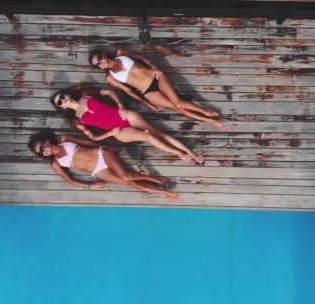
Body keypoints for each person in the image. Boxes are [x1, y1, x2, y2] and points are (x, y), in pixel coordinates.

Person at [50, 87, 204, 163]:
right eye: (60, 102)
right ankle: (178, 153)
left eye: (62, 96)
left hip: (124, 115)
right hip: (118, 131)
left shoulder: (85, 94)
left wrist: (121, 106)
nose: (63, 100)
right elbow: (93, 137)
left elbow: (109, 92)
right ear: (62, 107)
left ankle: (188, 150)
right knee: (148, 136)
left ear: (67, 94)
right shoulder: (77, 120)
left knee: (158, 133)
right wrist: (110, 133)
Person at [88, 48, 226, 130]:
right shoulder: (111, 78)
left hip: (156, 78)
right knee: (178, 108)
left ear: (103, 54)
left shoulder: (121, 53)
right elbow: (129, 91)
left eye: (100, 58)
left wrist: (154, 67)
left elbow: (141, 57)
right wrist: (146, 103)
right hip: (148, 92)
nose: (101, 62)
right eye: (98, 64)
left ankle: (206, 111)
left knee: (177, 102)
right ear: (99, 67)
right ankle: (210, 120)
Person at [28, 129, 179, 199]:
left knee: (126, 177)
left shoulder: (64, 139)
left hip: (101, 154)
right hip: (98, 170)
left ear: (46, 141)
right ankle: (165, 193)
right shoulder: (56, 163)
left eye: (42, 147)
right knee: (132, 184)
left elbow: (86, 142)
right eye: (40, 152)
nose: (44, 151)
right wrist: (90, 185)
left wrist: (107, 147)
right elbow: (70, 180)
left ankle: (155, 179)